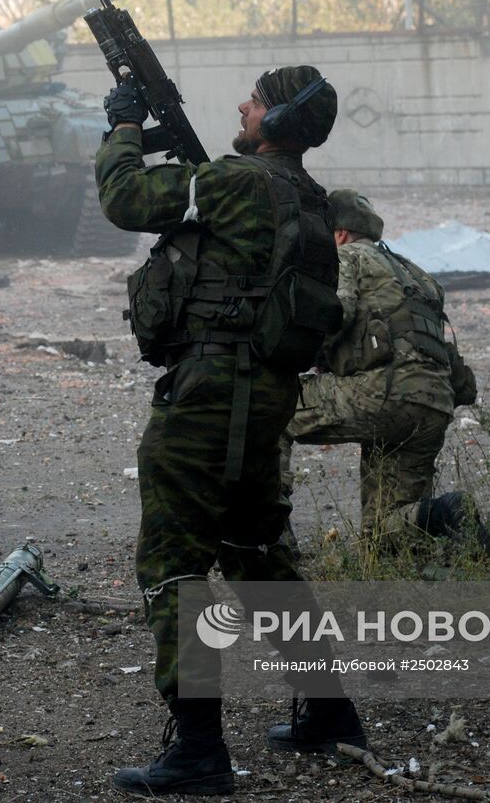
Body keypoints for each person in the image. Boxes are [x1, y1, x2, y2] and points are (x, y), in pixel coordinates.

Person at [95, 67, 367, 797]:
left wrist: (123, 130)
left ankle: (199, 749)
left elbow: (125, 199)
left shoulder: (238, 183)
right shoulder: (310, 200)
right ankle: (331, 711)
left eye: (254, 99)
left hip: (209, 396)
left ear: (276, 122)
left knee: (174, 564)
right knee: (255, 552)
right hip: (265, 399)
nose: (241, 106)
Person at [281, 189, 489, 551]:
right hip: (433, 406)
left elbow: (336, 314)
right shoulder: (418, 275)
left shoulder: (345, 258)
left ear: (340, 234)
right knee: (384, 537)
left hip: (382, 395)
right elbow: (449, 365)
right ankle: (443, 512)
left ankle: (268, 537)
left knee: (270, 409)